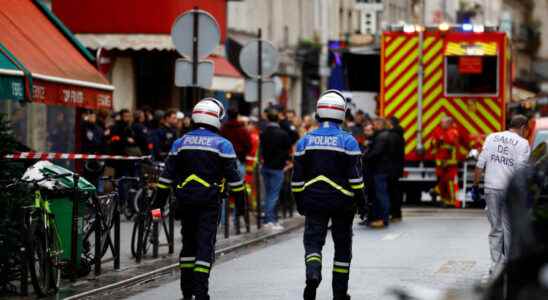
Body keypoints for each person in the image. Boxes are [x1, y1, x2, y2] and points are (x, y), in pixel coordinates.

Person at [156, 98, 245, 300]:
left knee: (188, 245)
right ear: (215, 119)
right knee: (205, 246)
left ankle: (186, 292)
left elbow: (165, 179)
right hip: (210, 204)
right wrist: (241, 207)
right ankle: (201, 293)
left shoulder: (180, 143)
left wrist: (156, 208)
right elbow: (235, 180)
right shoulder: (223, 144)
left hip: (184, 203)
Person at [292, 90, 366, 300]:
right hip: (343, 202)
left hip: (314, 200)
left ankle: (313, 273)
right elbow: (356, 180)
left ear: (318, 113)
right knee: (342, 249)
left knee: (313, 243)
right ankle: (339, 294)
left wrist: (299, 202)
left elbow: (296, 180)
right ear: (342, 113)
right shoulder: (348, 142)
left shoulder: (304, 142)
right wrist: (362, 203)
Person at [473, 114, 531, 276]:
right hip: (508, 191)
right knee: (509, 227)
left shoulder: (492, 137)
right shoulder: (523, 143)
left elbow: (480, 164)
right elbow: (521, 172)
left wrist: (475, 186)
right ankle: (508, 264)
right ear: (523, 128)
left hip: (490, 188)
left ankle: (495, 265)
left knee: (495, 228)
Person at [260, 108, 292, 230]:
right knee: (273, 195)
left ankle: (270, 219)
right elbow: (288, 150)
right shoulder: (282, 134)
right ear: (278, 119)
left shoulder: (263, 133)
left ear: (268, 118)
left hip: (266, 166)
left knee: (268, 194)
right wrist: (286, 161)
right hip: (277, 168)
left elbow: (261, 149)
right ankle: (270, 220)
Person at [363, 117, 392, 228]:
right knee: (380, 195)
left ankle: (384, 219)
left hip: (380, 169)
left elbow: (376, 152)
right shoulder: (382, 135)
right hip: (381, 169)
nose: (373, 126)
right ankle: (381, 218)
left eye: (375, 124)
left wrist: (365, 157)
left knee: (381, 195)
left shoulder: (382, 137)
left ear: (380, 124)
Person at [431, 115, 460, 207]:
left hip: (449, 162)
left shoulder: (453, 132)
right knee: (443, 181)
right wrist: (437, 142)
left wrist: (450, 162)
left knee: (449, 181)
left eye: (444, 122)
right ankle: (443, 197)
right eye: (442, 122)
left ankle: (451, 201)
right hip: (441, 162)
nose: (442, 124)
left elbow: (453, 147)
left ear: (449, 123)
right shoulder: (439, 131)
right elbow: (433, 144)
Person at [387, 117, 405, 222]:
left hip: (391, 168)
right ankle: (396, 213)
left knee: (393, 192)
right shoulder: (399, 135)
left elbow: (390, 152)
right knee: (395, 191)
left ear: (391, 124)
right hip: (396, 167)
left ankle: (395, 213)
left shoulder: (393, 136)